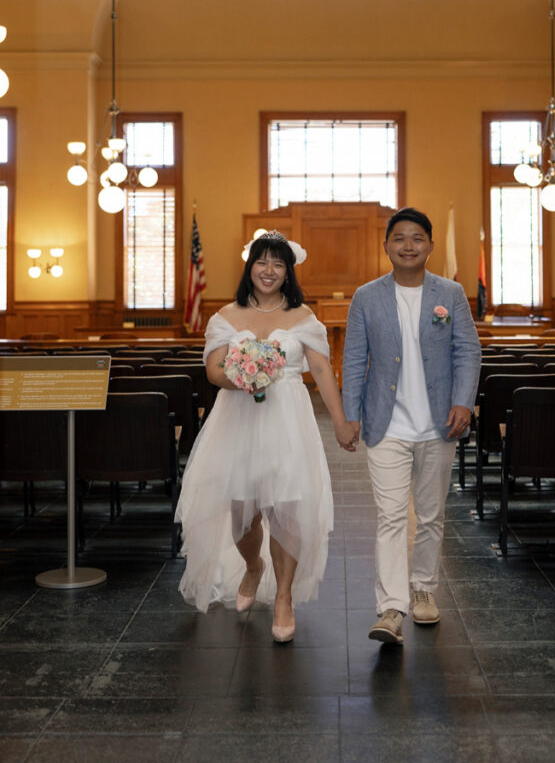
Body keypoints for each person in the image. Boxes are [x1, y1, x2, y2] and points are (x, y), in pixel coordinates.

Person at [176, 230, 358, 642]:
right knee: (242, 513)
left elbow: (324, 372)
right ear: (250, 267)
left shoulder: (304, 318)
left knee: (287, 510)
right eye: (262, 262)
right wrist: (241, 378)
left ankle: (284, 597)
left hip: (288, 418)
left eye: (278, 263)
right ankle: (254, 567)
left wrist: (342, 421)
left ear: (288, 271)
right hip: (238, 418)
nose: (269, 270)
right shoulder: (225, 316)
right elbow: (213, 371)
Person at [342, 207, 481, 644]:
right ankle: (390, 607)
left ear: (430, 246)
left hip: (440, 424)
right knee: (390, 516)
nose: (408, 245)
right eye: (399, 238)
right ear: (386, 245)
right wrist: (350, 415)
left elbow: (467, 352)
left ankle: (423, 590)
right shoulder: (366, 296)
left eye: (417, 238)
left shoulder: (451, 292)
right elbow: (353, 359)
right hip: (387, 425)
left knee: (432, 516)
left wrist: (464, 402)